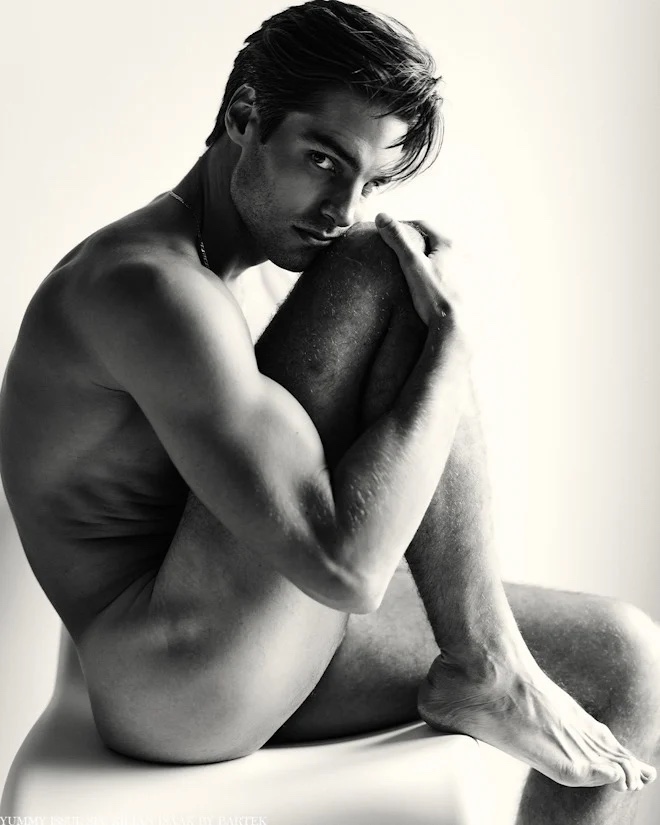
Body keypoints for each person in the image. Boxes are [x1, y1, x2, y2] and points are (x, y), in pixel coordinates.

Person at [0, 1, 658, 822]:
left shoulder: (218, 275)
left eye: (370, 181)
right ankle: (487, 663)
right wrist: (451, 348)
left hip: (240, 625)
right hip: (173, 675)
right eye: (322, 158)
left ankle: (488, 663)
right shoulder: (149, 290)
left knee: (626, 658)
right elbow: (347, 570)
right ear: (244, 117)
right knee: (380, 263)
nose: (342, 207)